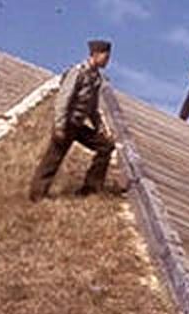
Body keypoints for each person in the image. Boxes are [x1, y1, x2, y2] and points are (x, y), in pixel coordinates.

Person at [29, 39, 122, 199]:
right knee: (53, 159)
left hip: (78, 125)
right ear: (95, 54)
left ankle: (90, 188)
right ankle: (37, 195)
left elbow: (93, 109)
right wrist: (59, 126)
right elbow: (63, 99)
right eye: (105, 56)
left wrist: (101, 129)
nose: (107, 60)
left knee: (106, 146)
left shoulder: (96, 78)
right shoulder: (78, 72)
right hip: (67, 123)